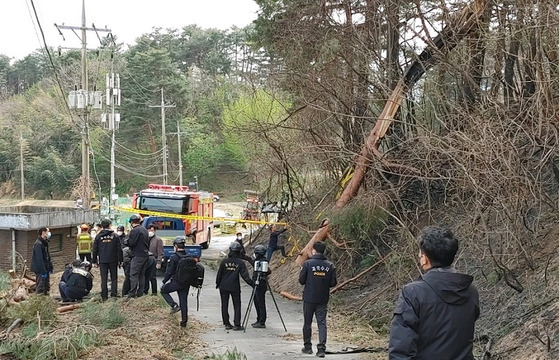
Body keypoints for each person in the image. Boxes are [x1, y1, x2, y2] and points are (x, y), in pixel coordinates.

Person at [388, 226, 480, 360]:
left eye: (420, 255)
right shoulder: (470, 290)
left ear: (425, 259)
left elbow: (401, 349)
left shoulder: (413, 293)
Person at [299, 241, 337, 358]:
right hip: (322, 298)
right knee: (322, 323)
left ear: (314, 250)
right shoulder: (330, 265)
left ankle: (308, 347)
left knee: (307, 322)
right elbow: (333, 283)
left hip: (309, 298)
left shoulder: (307, 264)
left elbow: (301, 281)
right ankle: (321, 349)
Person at [161, 236, 199, 328]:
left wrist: (164, 281)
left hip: (177, 282)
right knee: (184, 302)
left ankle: (174, 305)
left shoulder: (174, 257)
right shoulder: (189, 256)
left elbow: (169, 271)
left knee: (163, 290)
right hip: (186, 283)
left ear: (175, 246)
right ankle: (184, 323)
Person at [216, 241, 254, 331]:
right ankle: (237, 324)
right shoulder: (240, 262)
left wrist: (217, 284)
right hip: (234, 287)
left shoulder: (224, 261)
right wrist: (253, 284)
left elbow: (219, 274)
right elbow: (245, 276)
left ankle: (227, 324)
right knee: (237, 305)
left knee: (224, 305)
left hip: (223, 286)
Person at [92, 219, 123, 301]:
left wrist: (94, 261)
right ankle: (114, 295)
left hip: (103, 260)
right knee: (114, 278)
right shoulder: (115, 236)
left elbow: (94, 249)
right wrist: (121, 260)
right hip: (113, 260)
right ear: (109, 225)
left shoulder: (98, 236)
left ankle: (104, 296)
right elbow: (119, 249)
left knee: (104, 278)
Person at [127, 214, 150, 299]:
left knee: (133, 274)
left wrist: (126, 242)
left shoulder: (135, 230)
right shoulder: (144, 229)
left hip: (137, 255)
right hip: (145, 254)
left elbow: (132, 243)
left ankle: (132, 294)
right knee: (141, 275)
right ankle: (140, 292)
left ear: (132, 222)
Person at [251, 244, 270, 329]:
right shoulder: (257, 261)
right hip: (257, 284)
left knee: (261, 303)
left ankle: (262, 321)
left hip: (261, 285)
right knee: (256, 302)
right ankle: (258, 319)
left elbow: (268, 271)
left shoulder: (263, 261)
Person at [30, 227, 54, 295]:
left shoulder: (44, 243)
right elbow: (39, 259)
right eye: (47, 231)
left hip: (46, 268)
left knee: (46, 286)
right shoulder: (38, 244)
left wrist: (50, 266)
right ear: (43, 232)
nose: (49, 233)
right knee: (41, 287)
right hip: (40, 269)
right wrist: (43, 271)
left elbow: (47, 256)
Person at [144, 224, 164, 295]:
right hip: (145, 260)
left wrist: (159, 262)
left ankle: (154, 292)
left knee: (152, 277)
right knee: (145, 277)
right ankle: (145, 291)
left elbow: (160, 252)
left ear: (155, 231)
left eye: (152, 230)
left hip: (154, 260)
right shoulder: (145, 238)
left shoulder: (158, 240)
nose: (150, 232)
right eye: (149, 230)